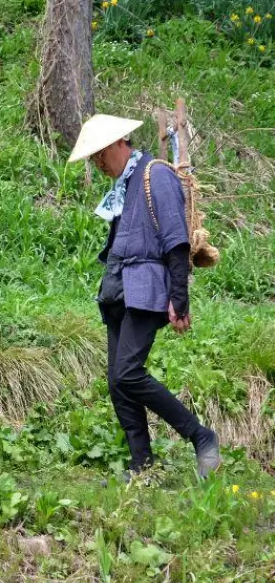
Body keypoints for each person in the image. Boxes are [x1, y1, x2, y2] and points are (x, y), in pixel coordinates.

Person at [68, 114, 221, 480]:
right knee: (118, 381)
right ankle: (142, 465)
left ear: (115, 145)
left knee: (128, 373)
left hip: (146, 291)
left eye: (98, 157)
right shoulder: (125, 183)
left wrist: (178, 298)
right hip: (119, 290)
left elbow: (176, 241)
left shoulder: (156, 174)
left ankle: (202, 437)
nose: (98, 165)